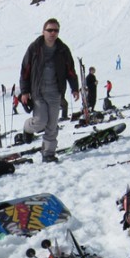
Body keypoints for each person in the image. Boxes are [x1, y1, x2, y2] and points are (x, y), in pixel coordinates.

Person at [18, 17, 80, 162]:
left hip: (55, 92)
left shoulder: (63, 50)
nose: (53, 33)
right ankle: (28, 128)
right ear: (43, 31)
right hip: (38, 92)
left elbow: (70, 70)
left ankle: (48, 153)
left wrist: (74, 88)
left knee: (52, 125)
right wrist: (25, 91)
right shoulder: (34, 48)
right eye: (50, 30)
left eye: (55, 30)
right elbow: (25, 70)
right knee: (40, 121)